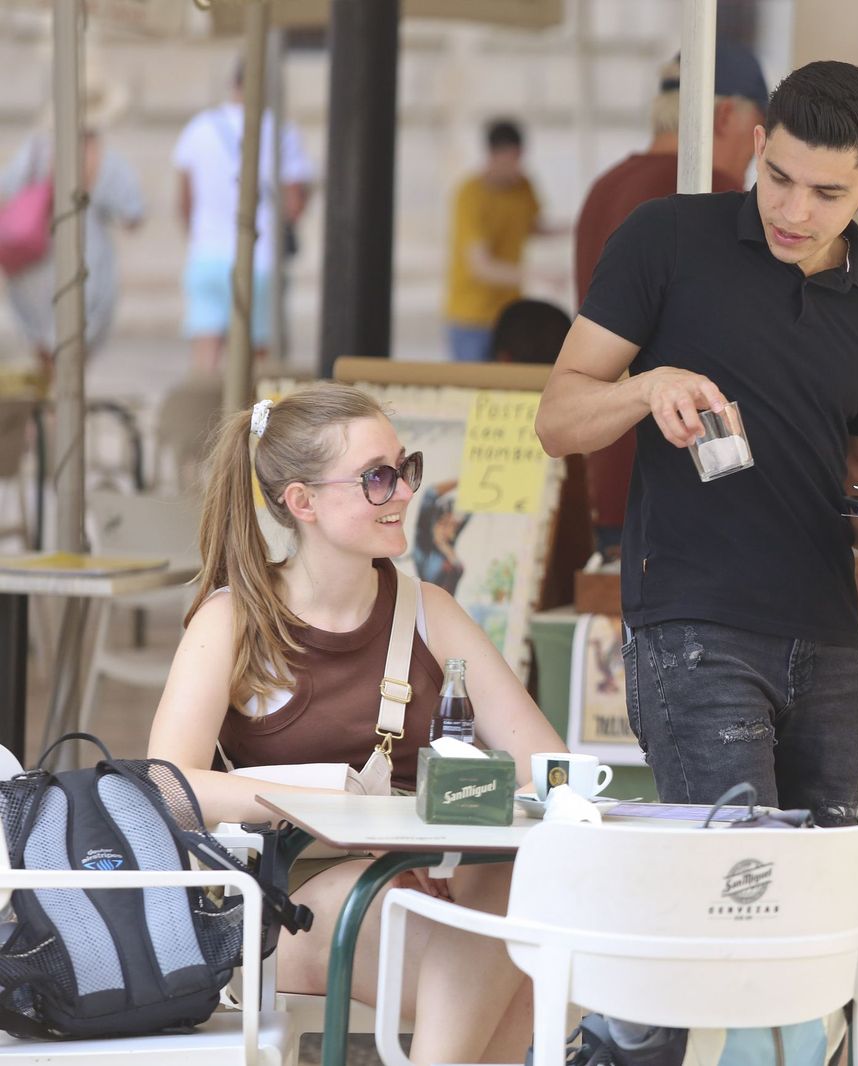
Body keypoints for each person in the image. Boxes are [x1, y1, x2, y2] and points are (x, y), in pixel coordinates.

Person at [535, 60, 858, 829]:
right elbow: (557, 418)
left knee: (818, 901)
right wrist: (645, 385)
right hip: (693, 627)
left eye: (827, 193)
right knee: (734, 892)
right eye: (779, 177)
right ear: (757, 145)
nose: (793, 210)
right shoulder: (665, 238)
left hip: (828, 638)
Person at [147, 382, 567, 1066]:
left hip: (427, 878)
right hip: (290, 894)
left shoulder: (429, 609)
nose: (404, 493)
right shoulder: (234, 621)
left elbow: (548, 769)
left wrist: (435, 839)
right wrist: (334, 807)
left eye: (406, 470)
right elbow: (164, 787)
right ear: (302, 502)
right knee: (520, 957)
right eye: (377, 477)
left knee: (516, 892)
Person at [574, 42, 767, 557]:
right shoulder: (709, 197)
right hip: (678, 487)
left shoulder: (605, 186)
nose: (754, 165)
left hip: (604, 468)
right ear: (726, 114)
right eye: (757, 144)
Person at [173, 60, 315, 371]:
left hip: (206, 255)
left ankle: (205, 420)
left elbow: (184, 201)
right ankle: (252, 421)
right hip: (259, 258)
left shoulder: (199, 128)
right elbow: (293, 204)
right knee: (258, 363)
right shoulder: (281, 132)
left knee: (205, 359)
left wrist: (200, 236)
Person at [0, 71, 142, 377]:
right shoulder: (105, 158)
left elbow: (7, 189)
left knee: (46, 360)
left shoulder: (38, 148)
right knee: (75, 357)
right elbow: (132, 213)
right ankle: (61, 416)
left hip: (35, 266)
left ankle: (49, 416)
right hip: (84, 266)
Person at [443, 119, 541, 363]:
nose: (516, 167)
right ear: (492, 155)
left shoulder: (523, 186)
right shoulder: (470, 195)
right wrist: (536, 275)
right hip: (471, 316)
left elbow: (532, 227)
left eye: (519, 158)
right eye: (510, 159)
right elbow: (481, 266)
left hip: (509, 314)